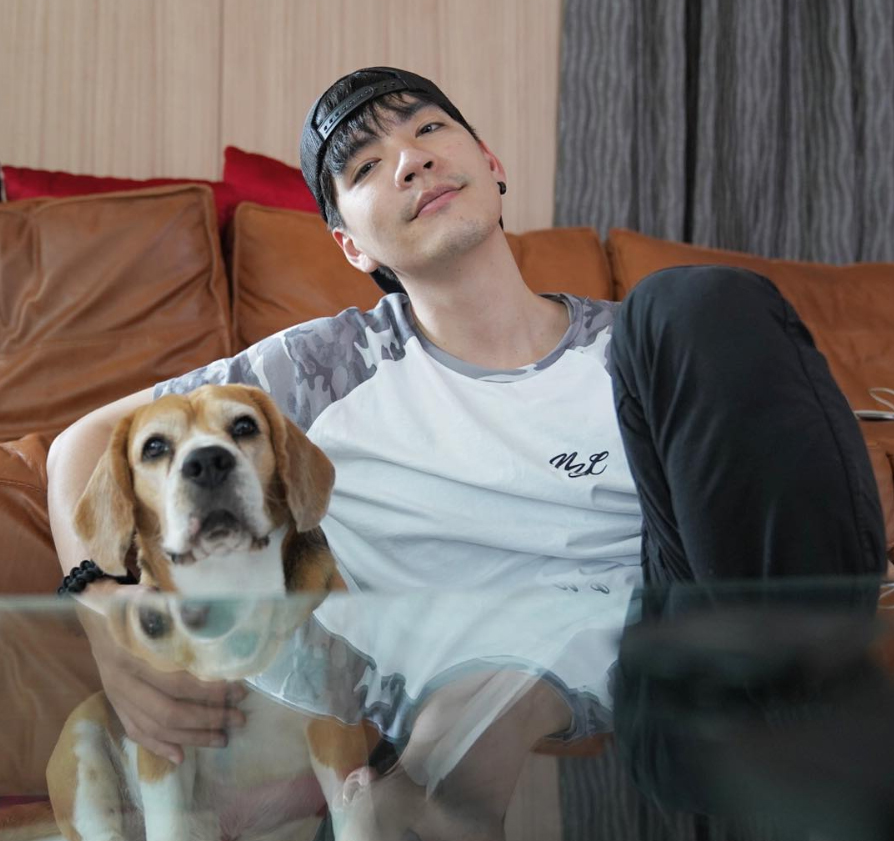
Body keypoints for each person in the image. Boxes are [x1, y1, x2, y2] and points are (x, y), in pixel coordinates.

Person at [47, 67, 886, 833]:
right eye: (366, 167)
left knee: (697, 301)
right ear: (350, 246)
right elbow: (81, 445)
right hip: (471, 688)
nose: (410, 160)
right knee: (481, 700)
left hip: (695, 654)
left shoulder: (644, 350)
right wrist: (101, 612)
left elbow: (777, 492)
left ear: (490, 164)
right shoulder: (321, 368)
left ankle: (785, 718)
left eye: (428, 130)